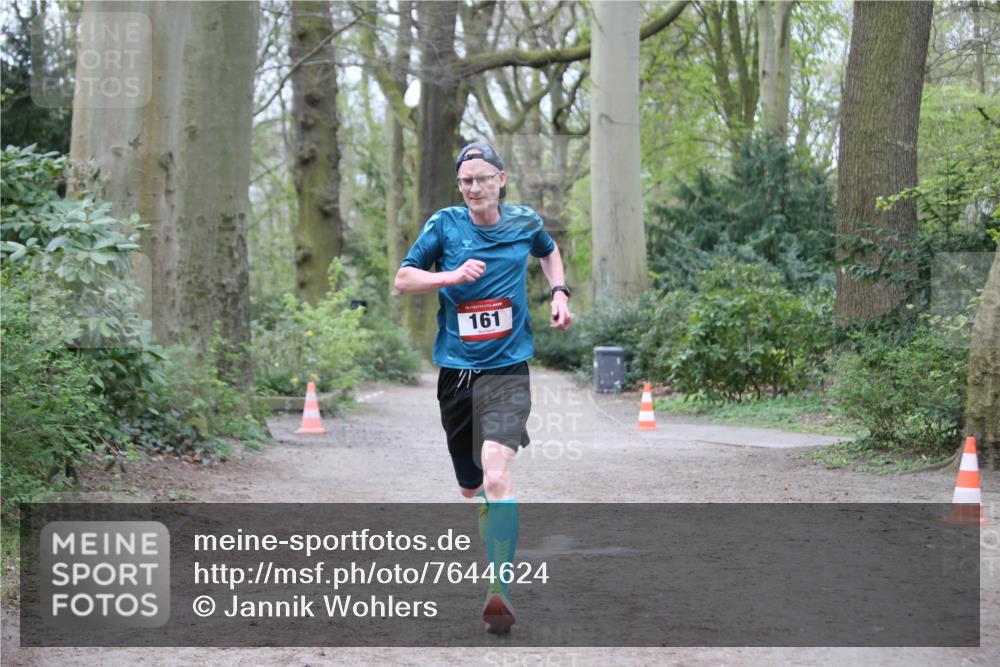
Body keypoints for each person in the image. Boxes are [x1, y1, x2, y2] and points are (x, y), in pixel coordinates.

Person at [394, 141, 573, 633]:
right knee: (472, 486)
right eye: (465, 180)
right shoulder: (444, 226)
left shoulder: (523, 222)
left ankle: (499, 588)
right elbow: (403, 280)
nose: (473, 187)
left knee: (498, 478)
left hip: (508, 370)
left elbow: (549, 252)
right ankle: (488, 529)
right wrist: (451, 275)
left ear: (502, 179)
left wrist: (558, 292)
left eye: (482, 177)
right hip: (456, 373)